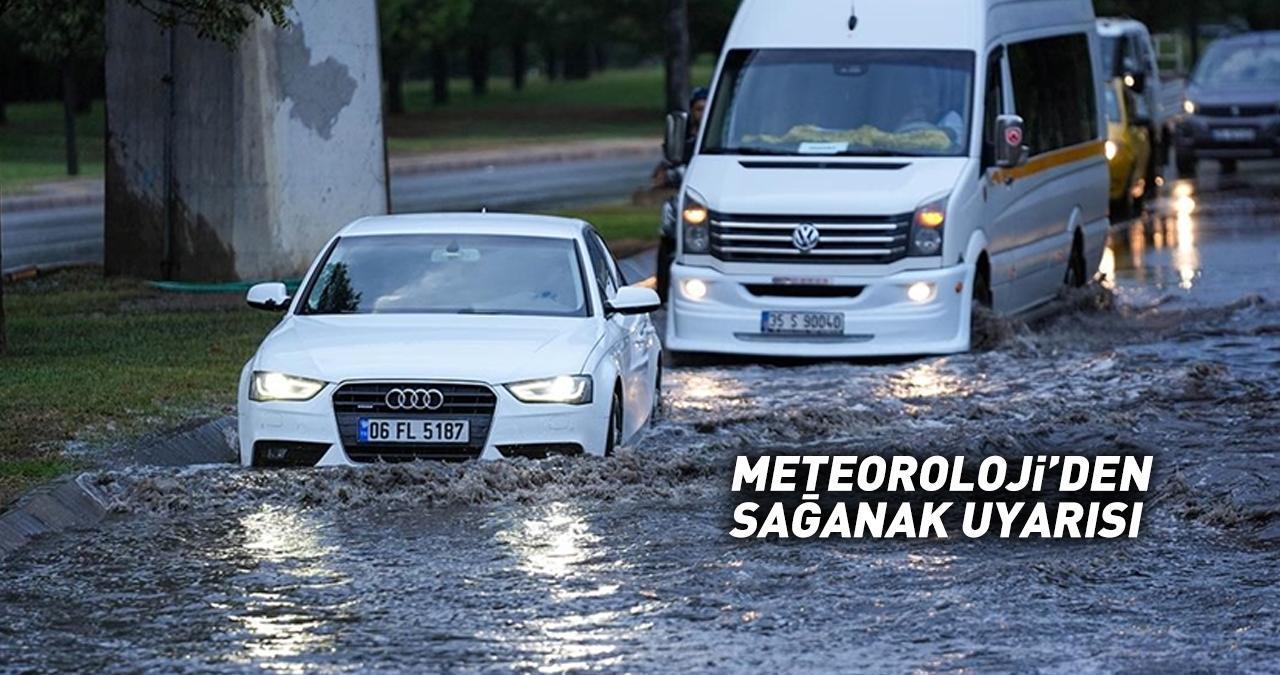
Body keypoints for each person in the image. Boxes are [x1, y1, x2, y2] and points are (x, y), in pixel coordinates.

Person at [654, 88, 710, 303]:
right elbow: (659, 176)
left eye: (707, 109)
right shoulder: (682, 146)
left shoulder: (722, 142)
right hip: (687, 205)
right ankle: (664, 290)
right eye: (698, 109)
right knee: (669, 219)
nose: (703, 114)